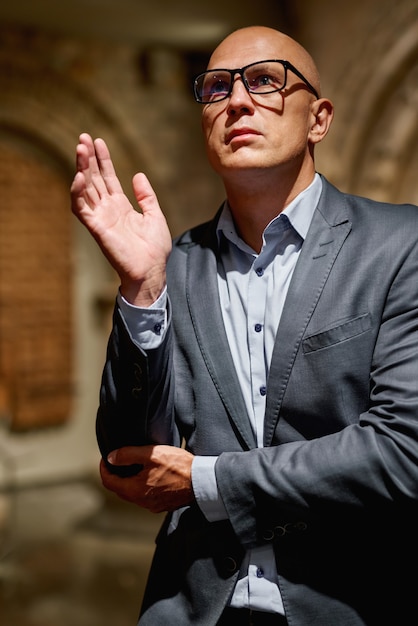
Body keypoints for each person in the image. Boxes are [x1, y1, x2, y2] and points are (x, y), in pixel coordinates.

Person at [70, 25, 418, 626]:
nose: (237, 101)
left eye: (265, 81)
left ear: (319, 118)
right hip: (194, 606)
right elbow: (129, 456)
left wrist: (208, 480)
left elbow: (402, 450)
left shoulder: (399, 244)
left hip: (352, 602)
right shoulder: (174, 263)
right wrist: (142, 288)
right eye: (216, 87)